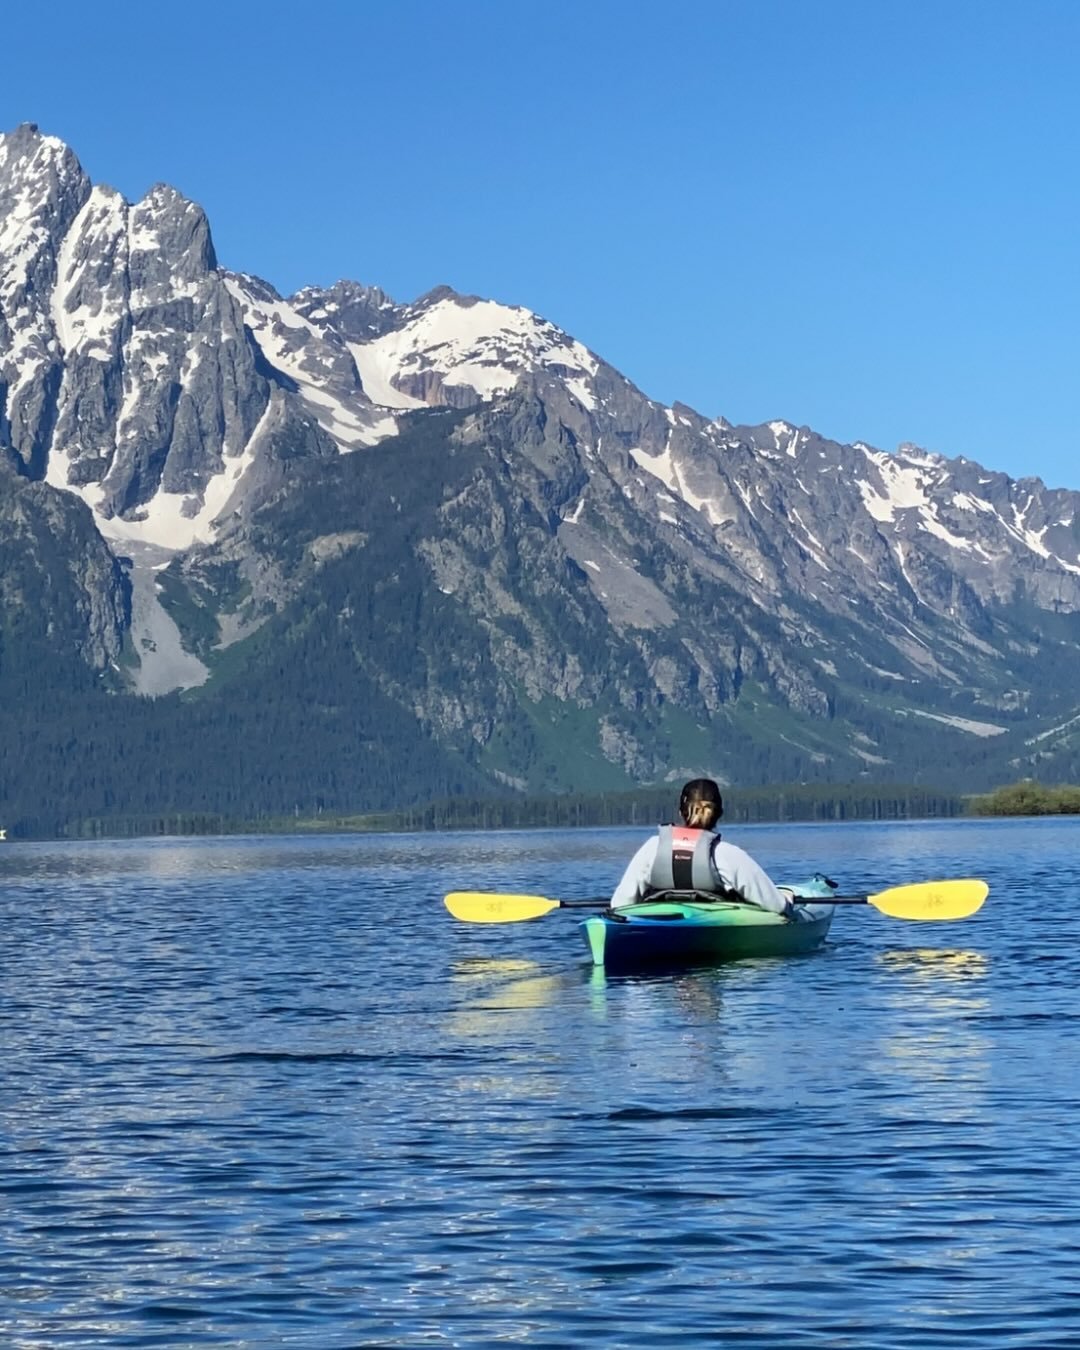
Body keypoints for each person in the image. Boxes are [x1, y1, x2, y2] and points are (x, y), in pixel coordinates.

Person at [610, 777, 792, 915]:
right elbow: (777, 906)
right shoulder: (727, 854)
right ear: (719, 813)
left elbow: (619, 904)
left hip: (659, 925)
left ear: (681, 811)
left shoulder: (652, 848)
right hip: (713, 926)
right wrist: (787, 900)